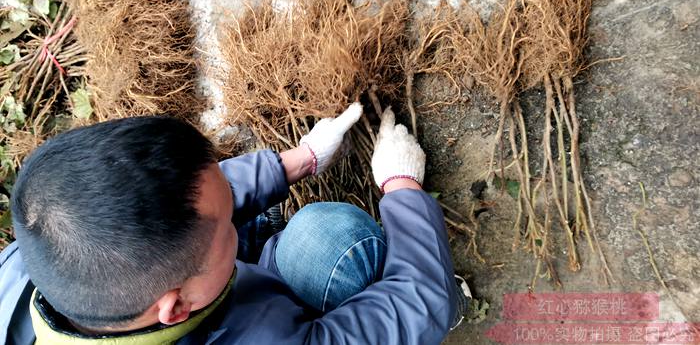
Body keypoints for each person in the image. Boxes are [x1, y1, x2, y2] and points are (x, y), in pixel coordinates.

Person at [0, 103, 468, 344]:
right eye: (227, 225)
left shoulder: (39, 248)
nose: (236, 217)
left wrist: (296, 162)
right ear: (175, 308)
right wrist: (402, 187)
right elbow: (421, 303)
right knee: (330, 241)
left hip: (229, 301)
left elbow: (180, 202)